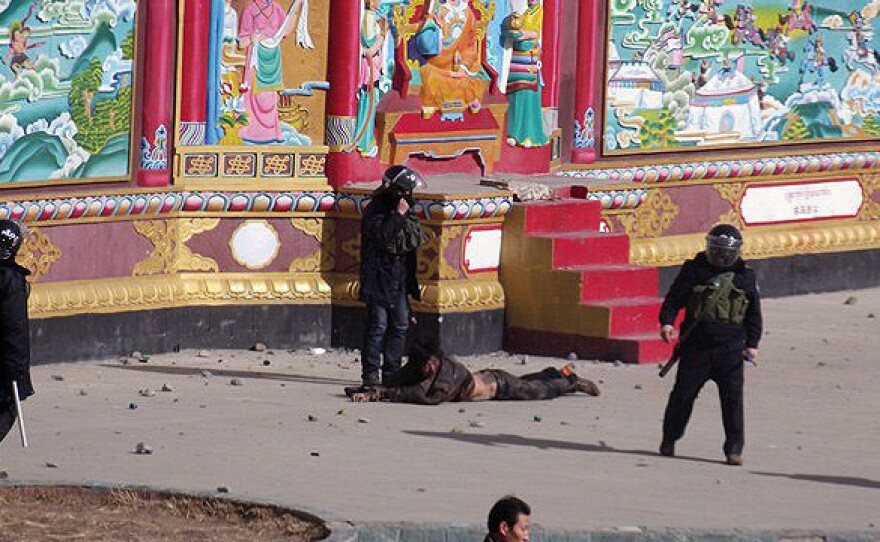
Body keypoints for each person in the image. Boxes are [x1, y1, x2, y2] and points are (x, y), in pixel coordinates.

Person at [658, 224, 762, 466]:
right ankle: (670, 438)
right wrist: (667, 323)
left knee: (732, 402)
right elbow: (673, 300)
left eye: (726, 252)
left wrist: (753, 343)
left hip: (731, 349)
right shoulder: (694, 271)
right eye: (717, 251)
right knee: (683, 396)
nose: (722, 256)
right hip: (697, 346)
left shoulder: (746, 277)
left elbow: (754, 313)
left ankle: (734, 449)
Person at [346, 340, 600, 404]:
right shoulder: (423, 366)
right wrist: (371, 390)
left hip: (497, 386)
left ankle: (571, 381)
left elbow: (423, 395)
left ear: (433, 362)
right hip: (491, 376)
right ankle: (558, 371)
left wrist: (383, 396)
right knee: (531, 381)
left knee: (540, 390)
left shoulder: (448, 373)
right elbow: (399, 379)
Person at [356, 166, 426, 391]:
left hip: (399, 280)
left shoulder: (407, 212)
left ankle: (392, 373)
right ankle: (370, 375)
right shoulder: (376, 210)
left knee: (400, 326)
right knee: (378, 327)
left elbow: (410, 247)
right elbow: (382, 237)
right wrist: (397, 215)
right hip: (378, 278)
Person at [0, 220, 34, 445]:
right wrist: (17, 368)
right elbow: (14, 327)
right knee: (6, 410)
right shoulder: (10, 280)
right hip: (3, 362)